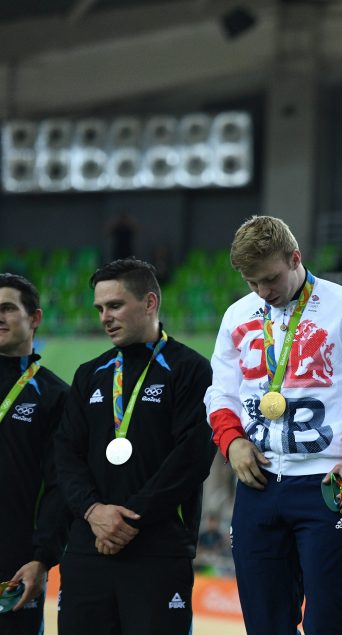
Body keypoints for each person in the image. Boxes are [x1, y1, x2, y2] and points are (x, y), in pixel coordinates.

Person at [205, 216, 342, 635]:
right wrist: (232, 441)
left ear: (295, 258)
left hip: (326, 484)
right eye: (252, 283)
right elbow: (220, 394)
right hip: (257, 485)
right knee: (265, 622)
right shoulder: (237, 316)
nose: (263, 292)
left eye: (270, 279)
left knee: (331, 621)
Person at [55, 258, 215, 634]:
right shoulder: (88, 374)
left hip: (157, 549)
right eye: (99, 309)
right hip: (88, 547)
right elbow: (66, 454)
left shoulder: (191, 370)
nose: (104, 317)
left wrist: (127, 520)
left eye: (115, 305)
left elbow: (192, 458)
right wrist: (95, 512)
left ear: (149, 303)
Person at [0, 274, 69, 635]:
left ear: (35, 318)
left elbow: (60, 484)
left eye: (7, 309)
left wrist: (43, 557)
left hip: (13, 565)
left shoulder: (55, 396)